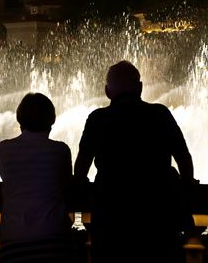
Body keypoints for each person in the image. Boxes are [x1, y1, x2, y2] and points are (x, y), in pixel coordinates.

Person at [74, 60, 196, 263]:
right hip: (157, 218)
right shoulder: (160, 114)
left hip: (111, 218)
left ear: (107, 91)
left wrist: (81, 187)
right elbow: (183, 157)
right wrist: (186, 185)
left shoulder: (98, 119)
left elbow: (81, 167)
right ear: (140, 87)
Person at [0, 92, 74, 263]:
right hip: (55, 241)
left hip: (14, 243)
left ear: (20, 121)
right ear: (50, 122)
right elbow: (66, 185)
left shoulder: (4, 149)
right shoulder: (60, 150)